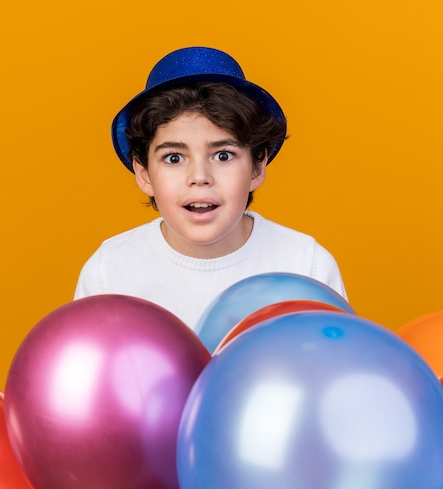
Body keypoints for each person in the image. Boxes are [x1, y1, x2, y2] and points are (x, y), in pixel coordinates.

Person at [74, 46, 347, 331]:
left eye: (223, 155)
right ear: (143, 173)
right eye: (174, 158)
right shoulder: (111, 270)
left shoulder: (305, 266)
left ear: (257, 167)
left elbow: (337, 366)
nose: (200, 177)